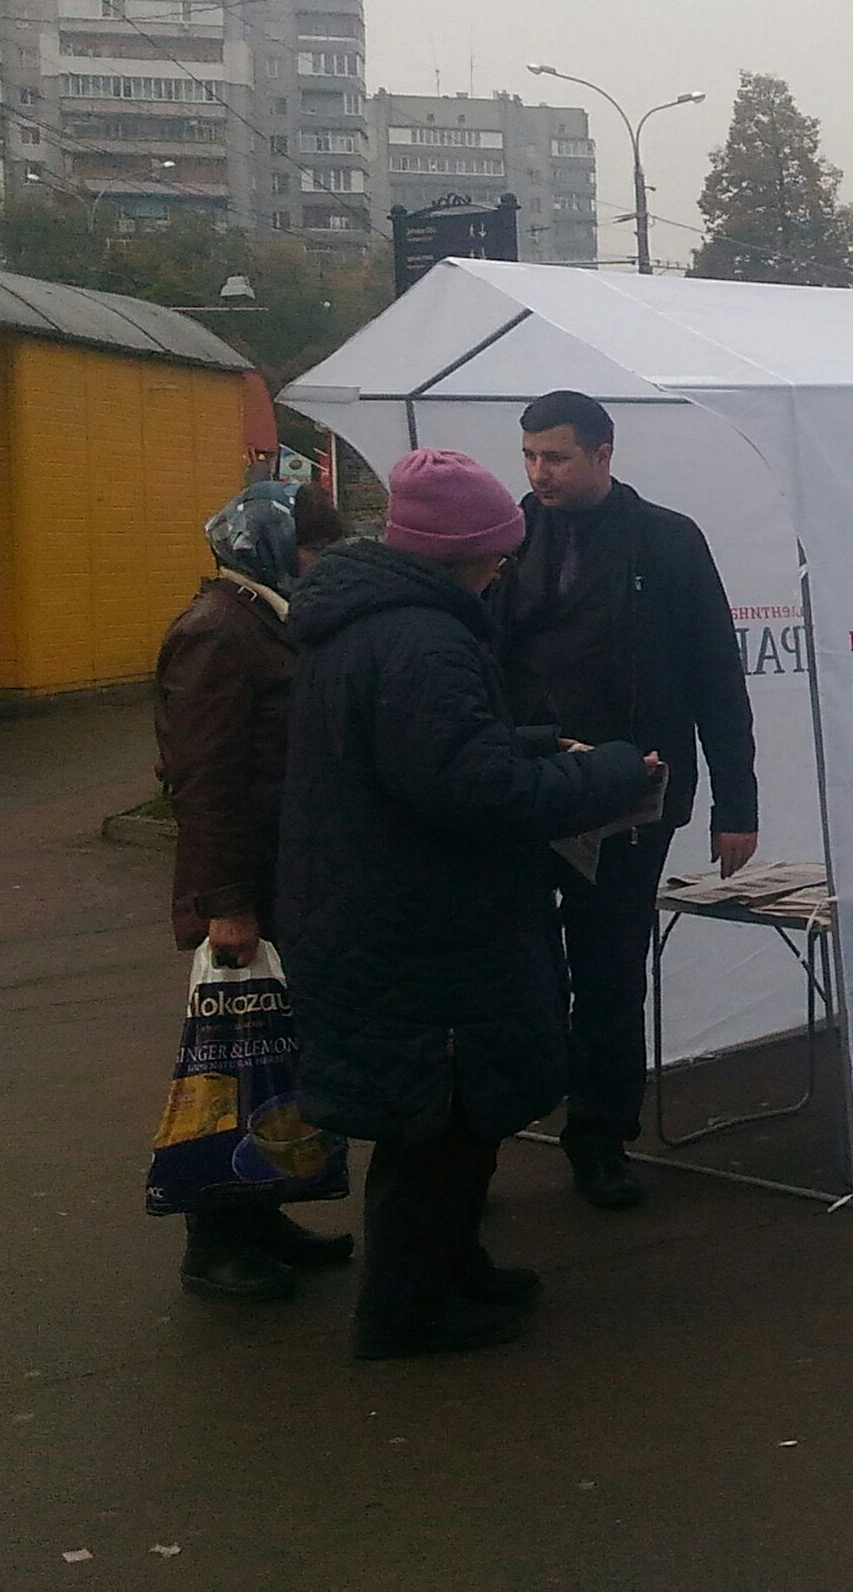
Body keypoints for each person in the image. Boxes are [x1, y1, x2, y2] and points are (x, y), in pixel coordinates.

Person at [276, 449, 661, 1360]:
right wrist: (606, 772)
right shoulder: (426, 642)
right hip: (424, 926)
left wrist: (532, 741)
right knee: (436, 1123)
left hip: (390, 910)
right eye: (498, 551)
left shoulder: (377, 626)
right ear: (464, 552)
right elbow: (474, 792)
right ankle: (408, 1308)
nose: (504, 567)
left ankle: (451, 1267)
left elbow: (432, 753)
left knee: (455, 1116)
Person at [493, 390, 758, 1211]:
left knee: (609, 973)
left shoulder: (667, 541)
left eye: (557, 457)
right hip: (524, 788)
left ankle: (601, 1137)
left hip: (633, 797)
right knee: (514, 972)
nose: (540, 473)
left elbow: (717, 676)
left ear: (604, 454)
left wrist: (736, 805)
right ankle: (487, 1135)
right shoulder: (507, 537)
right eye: (530, 456)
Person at [151, 478, 354, 1302]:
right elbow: (204, 780)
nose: (321, 565)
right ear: (270, 545)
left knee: (272, 1057)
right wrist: (226, 904)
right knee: (232, 1066)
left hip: (277, 878)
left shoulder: (263, 618)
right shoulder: (218, 632)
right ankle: (215, 1240)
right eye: (313, 550)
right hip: (244, 889)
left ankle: (261, 1211)